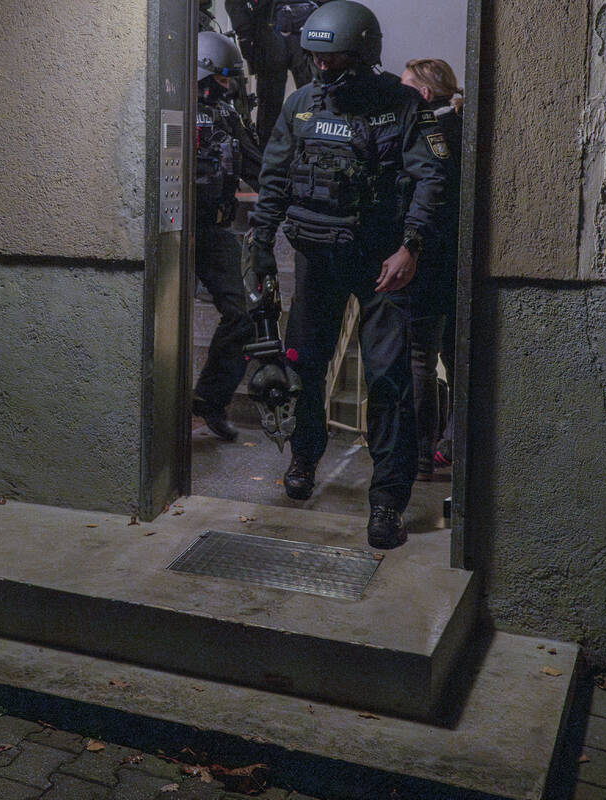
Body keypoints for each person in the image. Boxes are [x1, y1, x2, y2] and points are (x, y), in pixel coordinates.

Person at [245, 1, 450, 548]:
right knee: (303, 370)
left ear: (361, 56)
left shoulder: (403, 105)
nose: (321, 67)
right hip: (317, 259)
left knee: (389, 384)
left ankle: (386, 502)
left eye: (332, 57)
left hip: (383, 264)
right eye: (316, 57)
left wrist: (410, 246)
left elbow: (431, 179)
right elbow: (275, 179)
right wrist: (260, 243)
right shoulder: (299, 107)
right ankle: (304, 461)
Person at [191, 31, 265, 441]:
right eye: (220, 79)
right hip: (171, 228)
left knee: (243, 312)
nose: (226, 87)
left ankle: (209, 400)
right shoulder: (171, 109)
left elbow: (258, 165)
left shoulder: (227, 115)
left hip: (214, 229)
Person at [400, 57, 463, 481]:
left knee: (419, 356)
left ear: (423, 93)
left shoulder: (427, 131)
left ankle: (420, 455)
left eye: (405, 87)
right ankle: (452, 444)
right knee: (457, 357)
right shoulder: (463, 125)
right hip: (460, 261)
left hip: (427, 259)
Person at [224, 0, 330, 148]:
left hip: (303, 28)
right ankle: (267, 155)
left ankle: (316, 150)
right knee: (272, 105)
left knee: (317, 98)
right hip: (270, 28)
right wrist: (245, 34)